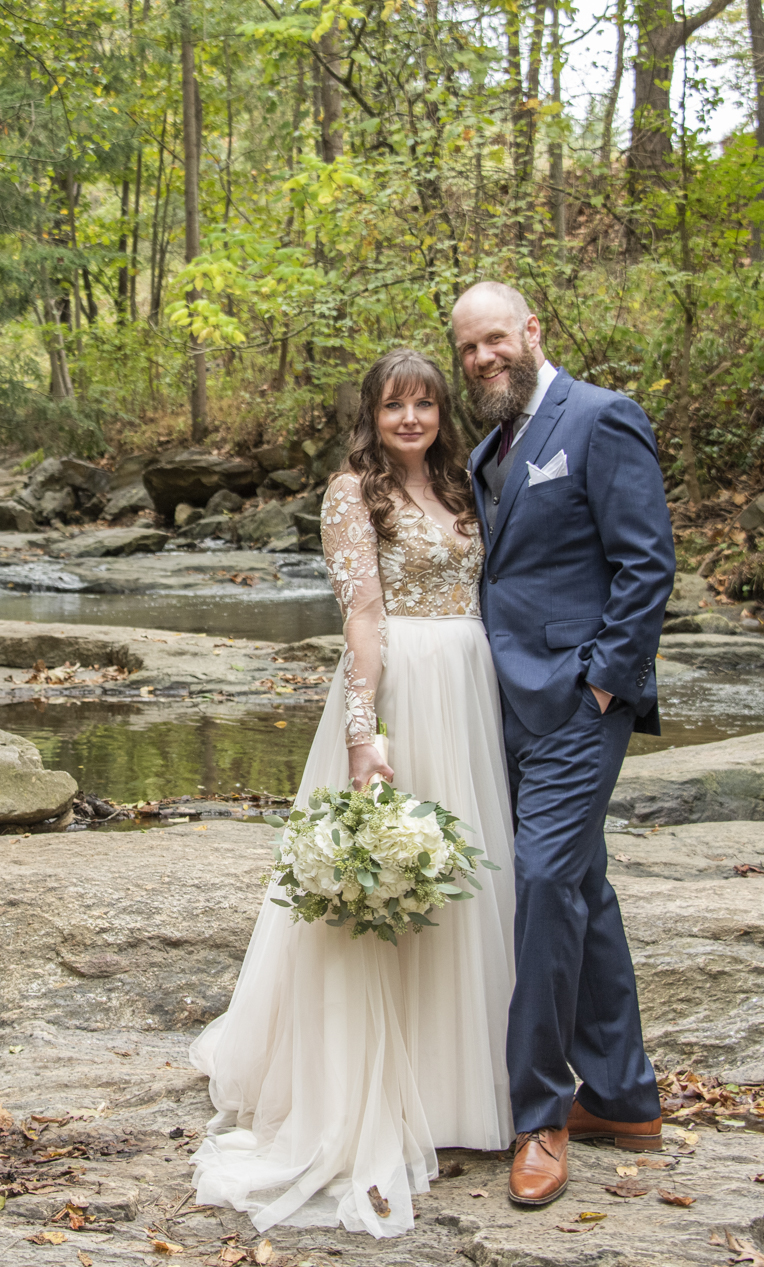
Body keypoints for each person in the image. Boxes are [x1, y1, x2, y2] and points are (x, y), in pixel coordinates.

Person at [188, 347, 518, 1237]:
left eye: (424, 404)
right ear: (371, 415)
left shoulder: (463, 486)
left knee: (467, 882)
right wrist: (364, 732)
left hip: (471, 689)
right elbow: (362, 617)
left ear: (443, 412)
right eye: (393, 406)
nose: (410, 419)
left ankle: (459, 1085)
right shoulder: (351, 492)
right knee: (389, 886)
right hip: (404, 688)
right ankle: (371, 1089)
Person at [456, 280, 674, 1208]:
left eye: (495, 338)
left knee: (542, 883)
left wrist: (601, 683)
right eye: (467, 348)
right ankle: (625, 1095)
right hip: (501, 707)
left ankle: (540, 1114)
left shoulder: (601, 417)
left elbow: (647, 560)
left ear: (532, 331)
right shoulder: (486, 450)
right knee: (581, 883)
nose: (481, 359)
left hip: (579, 707)